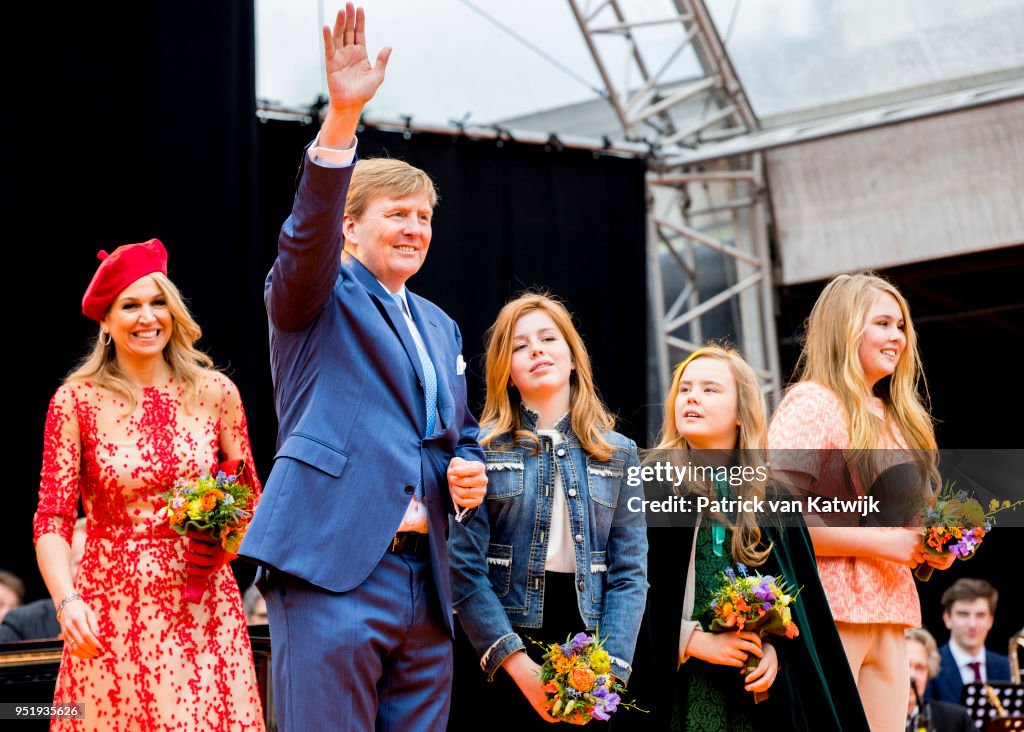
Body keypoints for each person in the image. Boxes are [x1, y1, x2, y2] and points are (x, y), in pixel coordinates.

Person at [236, 5, 486, 730]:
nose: (415, 229)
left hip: (427, 579)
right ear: (352, 226)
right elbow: (305, 234)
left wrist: (467, 469)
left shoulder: (440, 325)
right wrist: (342, 119)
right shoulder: (315, 294)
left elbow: (455, 436)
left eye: (425, 218)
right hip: (331, 565)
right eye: (397, 214)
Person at [33, 238, 264, 730]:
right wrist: (67, 600)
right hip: (110, 603)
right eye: (131, 305)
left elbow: (252, 500)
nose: (148, 317)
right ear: (106, 321)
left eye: (159, 302)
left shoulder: (216, 392)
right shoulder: (75, 401)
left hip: (203, 605)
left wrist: (225, 538)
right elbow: (52, 518)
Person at [626, 345, 869, 731]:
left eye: (710, 389)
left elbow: (800, 611)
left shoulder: (771, 498)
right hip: (672, 685)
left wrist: (776, 651)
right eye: (685, 388)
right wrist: (690, 641)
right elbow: (626, 586)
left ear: (741, 413)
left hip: (748, 695)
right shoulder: (648, 482)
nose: (692, 396)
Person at [448, 293, 648, 729]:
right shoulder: (478, 451)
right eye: (520, 346)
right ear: (509, 374)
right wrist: (516, 664)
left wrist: (607, 674)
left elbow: (630, 573)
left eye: (547, 338)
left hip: (587, 652)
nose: (536, 349)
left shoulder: (620, 454)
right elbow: (462, 571)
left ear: (574, 358)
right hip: (501, 644)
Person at [767, 271, 954, 731]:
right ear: (845, 328)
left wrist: (937, 544)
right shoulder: (813, 402)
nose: (898, 337)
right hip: (828, 611)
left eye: (901, 326)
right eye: (884, 324)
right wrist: (885, 544)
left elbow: (904, 525)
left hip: (891, 614)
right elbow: (776, 522)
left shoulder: (896, 417)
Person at [0, 520, 86, 643]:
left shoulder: (123, 619)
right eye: (81, 562)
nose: (92, 570)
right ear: (64, 568)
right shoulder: (22, 623)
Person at [925, 578, 1010, 703]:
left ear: (990, 620)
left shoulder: (1006, 666)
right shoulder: (930, 666)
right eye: (963, 614)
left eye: (980, 615)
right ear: (947, 618)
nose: (972, 624)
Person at [907, 628, 974, 732]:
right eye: (905, 665)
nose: (912, 676)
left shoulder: (956, 720)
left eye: (920, 667)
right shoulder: (873, 721)